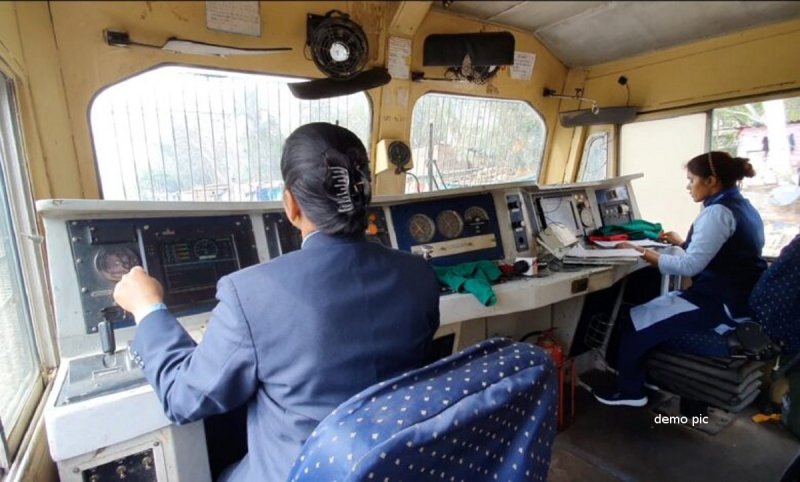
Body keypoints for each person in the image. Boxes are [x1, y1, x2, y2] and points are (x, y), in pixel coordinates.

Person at [113, 123, 441, 481]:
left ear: (291, 204)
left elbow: (183, 399)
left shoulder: (248, 294)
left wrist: (147, 308)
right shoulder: (419, 275)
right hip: (389, 465)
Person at [594, 151, 766, 407]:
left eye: (691, 180)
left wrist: (640, 251)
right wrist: (683, 243)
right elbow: (728, 253)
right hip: (736, 298)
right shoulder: (743, 207)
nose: (688, 186)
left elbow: (689, 266)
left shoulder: (717, 213)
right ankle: (643, 381)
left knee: (634, 319)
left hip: (719, 304)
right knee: (650, 311)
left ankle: (630, 392)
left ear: (711, 181)